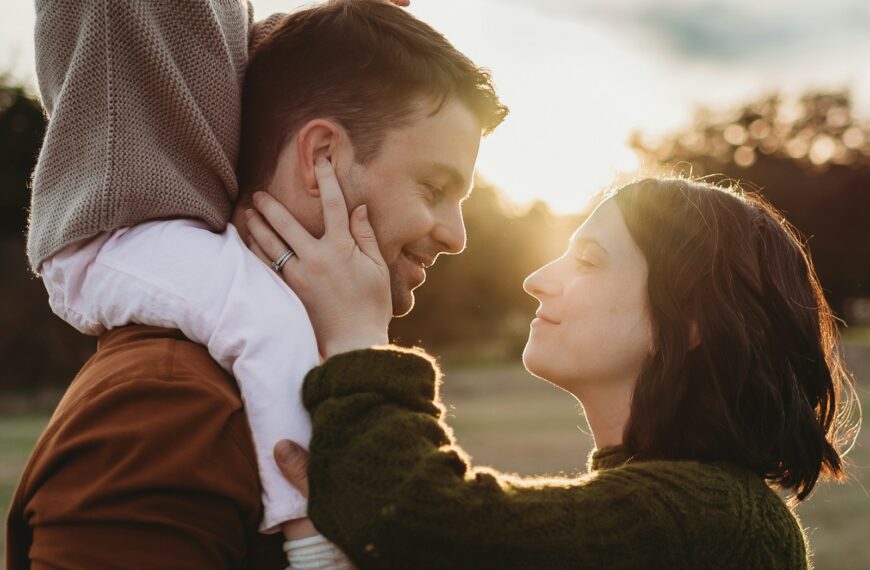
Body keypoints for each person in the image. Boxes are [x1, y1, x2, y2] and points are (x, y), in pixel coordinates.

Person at [7, 1, 506, 567]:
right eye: (433, 187)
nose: (457, 237)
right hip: (111, 234)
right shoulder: (170, 411)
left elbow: (236, 57)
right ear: (320, 157)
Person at [246, 172, 859, 568]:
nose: (536, 281)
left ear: (695, 321)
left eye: (588, 262)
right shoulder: (685, 514)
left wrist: (357, 335)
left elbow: (423, 520)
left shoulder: (713, 520)